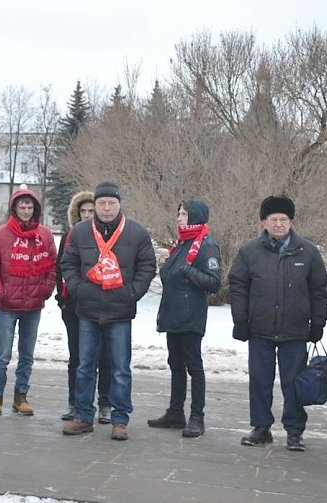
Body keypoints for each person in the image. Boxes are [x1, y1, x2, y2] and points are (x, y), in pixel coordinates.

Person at [229, 195, 327, 452]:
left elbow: (319, 288)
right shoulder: (249, 252)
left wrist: (318, 322)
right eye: (273, 219)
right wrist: (240, 320)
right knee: (260, 380)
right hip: (259, 328)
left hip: (294, 330)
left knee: (293, 382)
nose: (278, 224)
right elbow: (238, 287)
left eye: (283, 220)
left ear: (291, 221)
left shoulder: (307, 251)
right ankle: (261, 428)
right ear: (264, 222)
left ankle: (295, 431)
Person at [61, 181, 157, 441]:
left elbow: (148, 265)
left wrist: (132, 292)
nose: (105, 208)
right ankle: (82, 416)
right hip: (88, 309)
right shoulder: (81, 232)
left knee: (120, 368)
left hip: (119, 311)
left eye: (111, 203)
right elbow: (67, 263)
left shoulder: (136, 232)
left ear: (119, 204)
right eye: (101, 203)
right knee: (84, 367)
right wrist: (78, 288)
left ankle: (120, 419)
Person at [148, 199, 221, 438]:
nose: (178, 218)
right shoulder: (182, 243)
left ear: (195, 217)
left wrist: (189, 270)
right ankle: (175, 413)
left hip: (191, 317)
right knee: (175, 365)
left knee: (194, 367)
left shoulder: (206, 245)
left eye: (183, 214)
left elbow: (214, 282)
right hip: (173, 315)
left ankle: (197, 417)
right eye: (178, 213)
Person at [0, 187, 57, 416]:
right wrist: (0, 292)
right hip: (6, 306)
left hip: (33, 305)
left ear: (35, 209)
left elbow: (53, 267)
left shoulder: (44, 235)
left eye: (29, 206)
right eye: (21, 206)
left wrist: (45, 290)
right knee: (3, 354)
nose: (26, 210)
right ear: (14, 208)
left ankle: (21, 397)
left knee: (27, 355)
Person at [56, 191, 111, 423]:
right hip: (74, 304)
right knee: (77, 357)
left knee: (104, 357)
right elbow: (61, 267)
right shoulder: (70, 235)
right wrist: (63, 297)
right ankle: (75, 401)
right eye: (83, 212)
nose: (87, 215)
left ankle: (105, 403)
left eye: (91, 211)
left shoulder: (107, 236)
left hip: (102, 304)